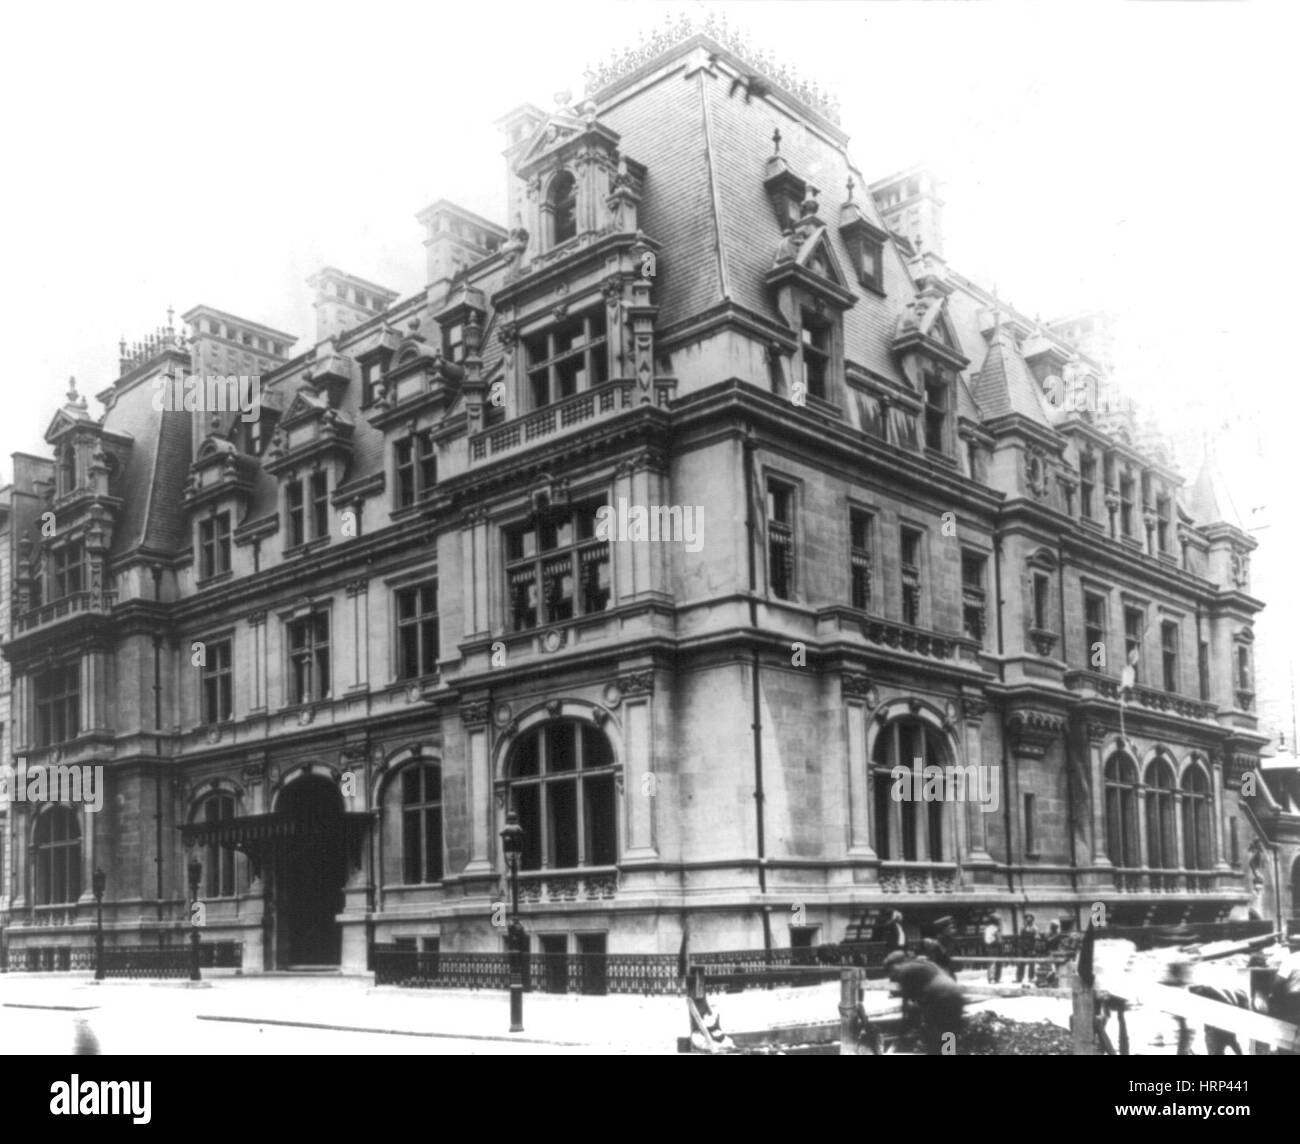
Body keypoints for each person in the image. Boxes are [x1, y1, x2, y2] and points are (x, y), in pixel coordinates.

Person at [885, 950, 966, 1055]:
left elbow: (907, 1005)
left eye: (891, 970)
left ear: (896, 964)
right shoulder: (923, 964)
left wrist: (904, 1029)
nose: (892, 974)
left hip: (939, 997)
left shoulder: (905, 971)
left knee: (935, 1036)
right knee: (949, 1033)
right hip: (955, 994)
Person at [1017, 914, 1039, 983]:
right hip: (1023, 947)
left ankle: (1031, 977)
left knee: (1031, 963)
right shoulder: (1022, 928)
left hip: (1031, 947)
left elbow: (1037, 938)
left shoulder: (1035, 928)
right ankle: (1019, 977)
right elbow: (1020, 937)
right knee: (1021, 963)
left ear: (1032, 921)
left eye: (1029, 920)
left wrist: (1035, 948)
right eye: (1027, 920)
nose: (1028, 921)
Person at [982, 912, 1003, 983]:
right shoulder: (995, 929)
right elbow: (999, 939)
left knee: (993, 962)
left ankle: (994, 978)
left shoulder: (988, 928)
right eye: (998, 920)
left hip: (990, 946)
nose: (1000, 922)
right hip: (994, 946)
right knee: (994, 962)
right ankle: (993, 978)